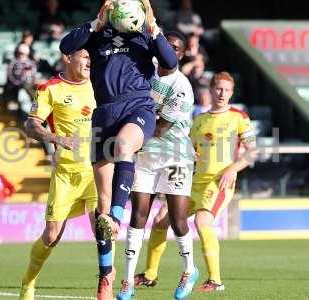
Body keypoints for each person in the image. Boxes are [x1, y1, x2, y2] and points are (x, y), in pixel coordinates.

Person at [59, 1, 178, 299]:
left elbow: (170, 63)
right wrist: (94, 23)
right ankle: (105, 275)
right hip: (104, 114)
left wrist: (154, 29)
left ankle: (116, 214)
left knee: (124, 145)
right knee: (100, 204)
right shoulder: (97, 34)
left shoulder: (143, 35)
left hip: (138, 106)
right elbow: (65, 45)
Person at [134, 72, 258, 293]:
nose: (222, 93)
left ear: (232, 92)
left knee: (202, 221)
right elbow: (189, 149)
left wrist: (231, 169)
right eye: (218, 88)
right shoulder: (199, 120)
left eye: (227, 90)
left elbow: (252, 152)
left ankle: (216, 280)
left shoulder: (238, 117)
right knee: (161, 219)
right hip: (193, 181)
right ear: (210, 90)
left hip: (218, 182)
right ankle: (150, 275)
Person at [116, 31, 198, 300]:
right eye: (167, 46)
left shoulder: (182, 85)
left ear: (181, 54)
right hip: (146, 157)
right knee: (138, 215)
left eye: (176, 48)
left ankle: (189, 269)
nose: (170, 50)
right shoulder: (145, 74)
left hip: (175, 156)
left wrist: (131, 133)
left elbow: (160, 127)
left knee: (177, 220)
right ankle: (127, 280)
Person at [18, 49, 97, 300]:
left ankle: (107, 287)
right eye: (84, 56)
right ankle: (28, 283)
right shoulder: (49, 88)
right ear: (68, 57)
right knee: (51, 236)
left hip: (96, 172)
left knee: (103, 230)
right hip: (65, 174)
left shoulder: (100, 84)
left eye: (90, 57)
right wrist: (56, 139)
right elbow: (30, 124)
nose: (88, 61)